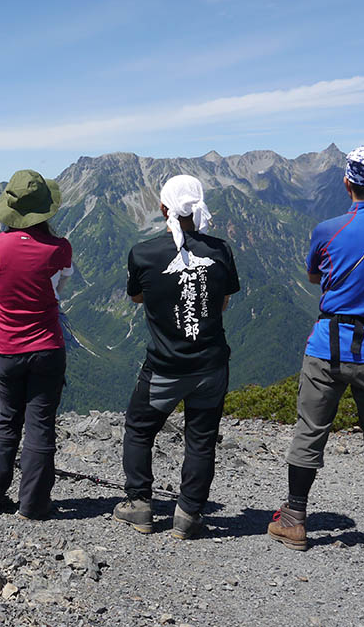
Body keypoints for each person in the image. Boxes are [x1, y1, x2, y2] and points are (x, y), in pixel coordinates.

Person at [268, 145, 364, 563]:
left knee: (310, 430)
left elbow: (314, 275)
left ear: (346, 182)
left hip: (328, 346)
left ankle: (294, 518)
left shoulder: (328, 229)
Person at [113, 175, 240, 539]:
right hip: (211, 365)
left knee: (139, 429)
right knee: (201, 439)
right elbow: (223, 302)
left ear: (163, 208)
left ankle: (139, 505)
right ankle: (188, 513)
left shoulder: (143, 253)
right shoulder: (221, 250)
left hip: (165, 366)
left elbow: (138, 297)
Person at [0, 169, 73, 520]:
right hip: (47, 347)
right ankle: (33, 505)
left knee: (7, 419)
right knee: (41, 423)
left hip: (7, 347)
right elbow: (58, 292)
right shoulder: (59, 248)